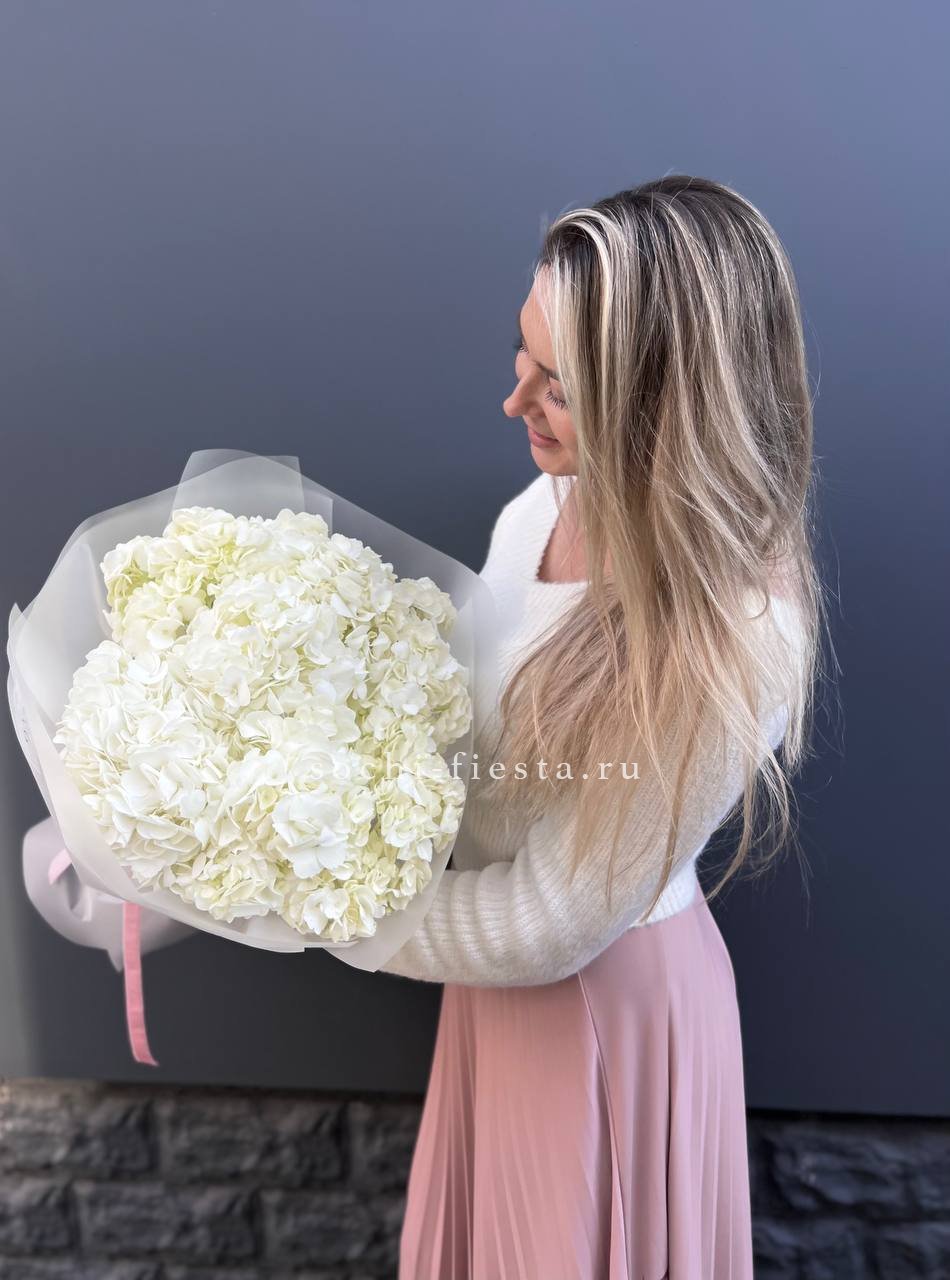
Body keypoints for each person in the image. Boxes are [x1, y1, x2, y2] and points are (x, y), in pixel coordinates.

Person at [380, 174, 824, 1279]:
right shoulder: (542, 505)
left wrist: (323, 909)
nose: (514, 403)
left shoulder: (734, 634)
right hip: (485, 981)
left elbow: (549, 920)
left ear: (664, 406)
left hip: (595, 1009)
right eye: (521, 355)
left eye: (561, 388)